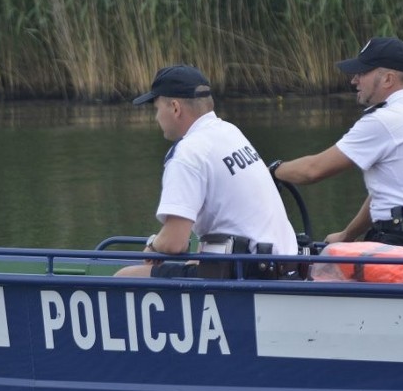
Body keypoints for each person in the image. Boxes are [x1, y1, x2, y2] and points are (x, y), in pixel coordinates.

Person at [270, 37, 403, 253]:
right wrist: (347, 235)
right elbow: (384, 194)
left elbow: (312, 171)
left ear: (388, 79)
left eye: (362, 73)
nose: (354, 80)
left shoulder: (386, 120)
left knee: (315, 268)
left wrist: (272, 170)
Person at [115, 65, 298, 278]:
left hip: (251, 271)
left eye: (157, 108)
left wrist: (153, 246)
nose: (156, 118)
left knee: (126, 276)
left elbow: (175, 242)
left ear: (175, 108)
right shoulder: (229, 132)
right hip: (284, 261)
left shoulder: (188, 153)